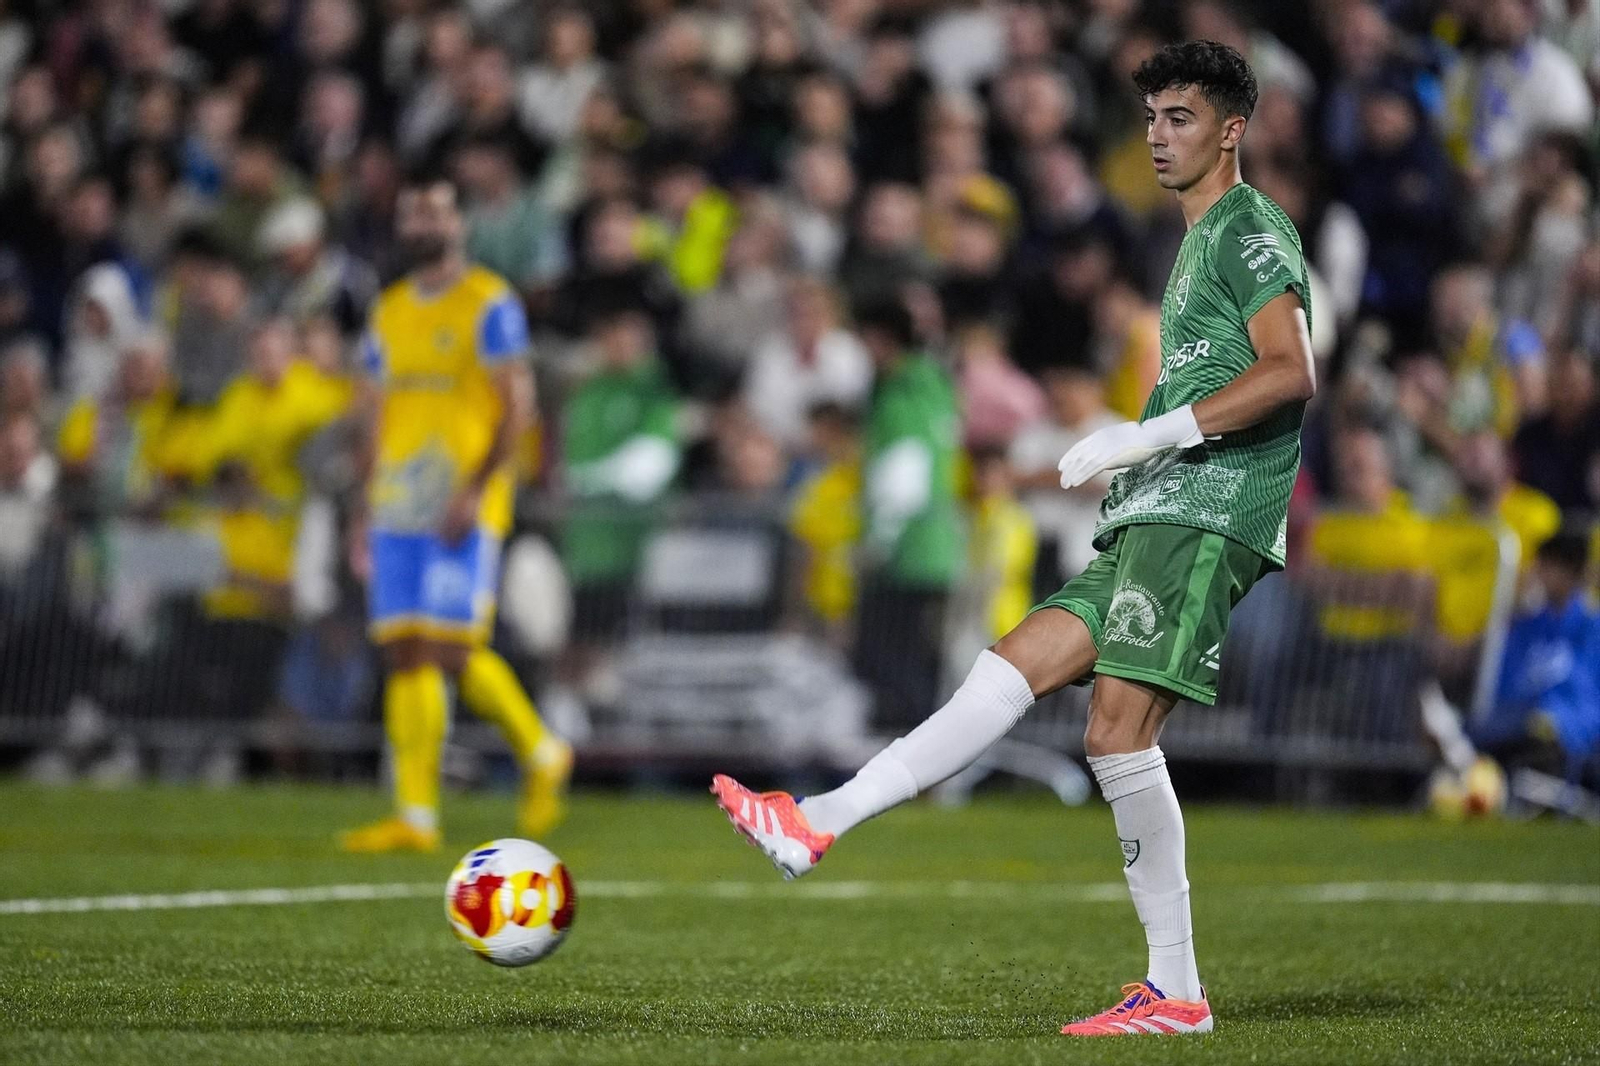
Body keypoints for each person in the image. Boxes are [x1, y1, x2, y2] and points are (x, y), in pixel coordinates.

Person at [711, 41, 1317, 1037]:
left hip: (1207, 506)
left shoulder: (1246, 227)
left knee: (1116, 734)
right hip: (1158, 504)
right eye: (1152, 118)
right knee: (1006, 668)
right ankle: (815, 819)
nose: (1159, 136)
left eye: (1181, 118)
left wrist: (1149, 431)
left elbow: (1289, 371)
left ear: (1231, 130)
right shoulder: (1196, 237)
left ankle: (1175, 992)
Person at [339, 173, 571, 854]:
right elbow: (372, 411)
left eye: (435, 212)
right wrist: (362, 502)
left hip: (461, 500)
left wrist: (476, 489)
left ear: (458, 224)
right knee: (404, 651)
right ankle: (415, 815)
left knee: (451, 647)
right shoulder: (389, 310)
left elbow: (515, 404)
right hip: (396, 503)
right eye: (412, 214)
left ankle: (539, 749)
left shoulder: (489, 303)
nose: (422, 225)